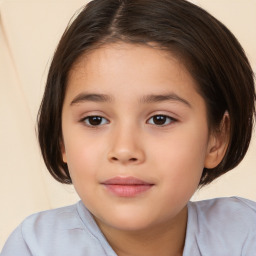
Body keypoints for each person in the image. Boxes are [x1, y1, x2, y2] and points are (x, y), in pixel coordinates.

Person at [1, 0, 256, 255]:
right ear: (61, 139)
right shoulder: (35, 247)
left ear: (217, 138)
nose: (124, 150)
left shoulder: (245, 233)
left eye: (160, 119)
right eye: (95, 120)